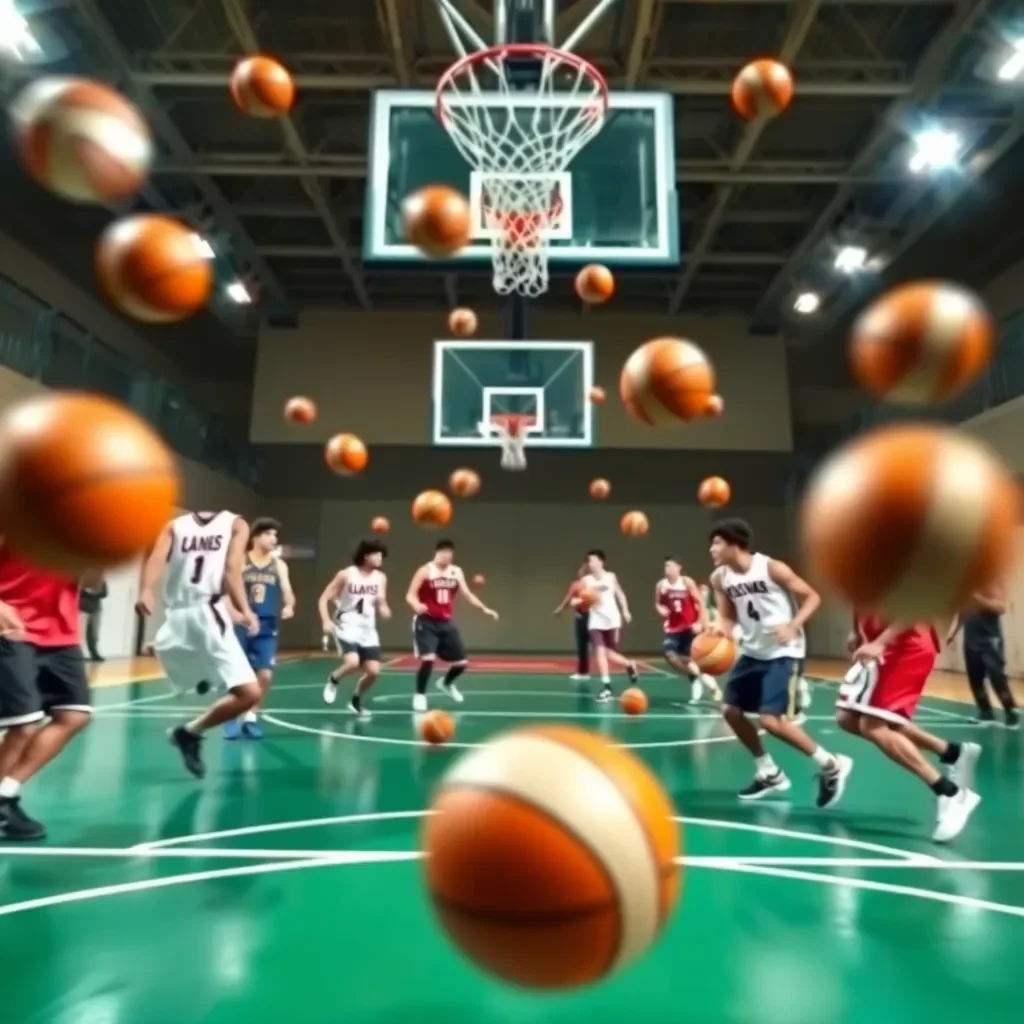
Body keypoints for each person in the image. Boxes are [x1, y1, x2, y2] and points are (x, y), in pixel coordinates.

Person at [709, 518, 852, 805]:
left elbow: (812, 597)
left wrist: (793, 625)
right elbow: (727, 616)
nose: (711, 550)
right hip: (752, 651)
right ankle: (768, 772)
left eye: (716, 543)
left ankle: (832, 764)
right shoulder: (720, 578)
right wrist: (718, 633)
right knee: (730, 711)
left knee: (770, 720)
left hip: (784, 651)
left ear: (735, 544)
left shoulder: (772, 568)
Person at [837, 611, 981, 843]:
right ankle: (951, 752)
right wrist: (857, 629)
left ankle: (951, 793)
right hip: (881, 642)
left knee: (873, 725)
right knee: (847, 718)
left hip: (906, 645)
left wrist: (880, 642)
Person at [137, 510, 260, 779]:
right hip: (208, 614)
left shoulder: (174, 525)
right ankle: (190, 732)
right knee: (250, 694)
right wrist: (246, 609)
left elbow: (157, 557)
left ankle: (194, 670)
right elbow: (231, 569)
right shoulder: (238, 523)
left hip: (177, 615)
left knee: (209, 678)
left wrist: (145, 589)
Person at [0, 544, 93, 840]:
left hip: (61, 631)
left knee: (74, 716)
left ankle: (6, 794)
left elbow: (91, 582)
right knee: (23, 725)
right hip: (12, 628)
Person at [405, 539, 498, 712]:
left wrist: (485, 609)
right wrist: (416, 605)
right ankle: (420, 695)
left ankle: (446, 683)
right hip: (426, 621)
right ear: (436, 553)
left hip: (446, 622)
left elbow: (468, 595)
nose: (447, 556)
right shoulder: (425, 571)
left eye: (450, 553)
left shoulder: (456, 572)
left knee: (462, 663)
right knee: (428, 659)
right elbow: (410, 595)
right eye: (443, 552)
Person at [225, 517, 295, 740]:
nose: (274, 539)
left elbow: (287, 591)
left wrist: (290, 605)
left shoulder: (279, 565)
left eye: (276, 535)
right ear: (256, 536)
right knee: (238, 675)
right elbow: (225, 590)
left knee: (264, 675)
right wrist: (235, 614)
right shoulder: (241, 561)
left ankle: (251, 716)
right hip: (242, 624)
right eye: (269, 534)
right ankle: (230, 715)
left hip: (267, 625)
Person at [319, 540, 390, 719]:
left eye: (381, 555)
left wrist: (383, 607)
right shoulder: (346, 574)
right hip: (346, 624)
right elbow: (323, 598)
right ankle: (334, 679)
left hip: (368, 629)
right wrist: (326, 620)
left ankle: (355, 700)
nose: (380, 558)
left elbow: (381, 599)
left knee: (374, 671)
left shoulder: (380, 577)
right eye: (377, 554)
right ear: (366, 555)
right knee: (352, 662)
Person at [948, 584, 1018, 729]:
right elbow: (963, 612)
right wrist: (954, 632)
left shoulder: (991, 583)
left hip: (990, 640)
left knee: (996, 677)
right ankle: (986, 712)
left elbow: (1000, 608)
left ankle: (1010, 712)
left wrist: (976, 597)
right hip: (971, 640)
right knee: (975, 678)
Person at [575, 550, 640, 704]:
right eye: (588, 561)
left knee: (609, 653)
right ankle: (607, 687)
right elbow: (578, 600)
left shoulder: (611, 577)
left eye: (592, 560)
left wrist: (625, 611)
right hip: (595, 621)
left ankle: (629, 664)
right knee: (599, 651)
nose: (590, 563)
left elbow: (620, 594)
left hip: (612, 620)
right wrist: (583, 601)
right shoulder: (586, 580)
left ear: (600, 561)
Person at [657, 556, 720, 704]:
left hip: (690, 627)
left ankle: (700, 682)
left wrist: (700, 623)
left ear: (679, 568)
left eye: (670, 566)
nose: (667, 569)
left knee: (691, 659)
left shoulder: (687, 582)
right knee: (670, 656)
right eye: (665, 566)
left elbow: (700, 603)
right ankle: (698, 677)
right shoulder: (661, 585)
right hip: (673, 628)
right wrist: (661, 610)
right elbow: (658, 603)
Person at [554, 562, 590, 680]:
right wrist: (560, 608)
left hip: (591, 617)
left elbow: (568, 600)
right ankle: (583, 672)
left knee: (584, 645)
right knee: (583, 645)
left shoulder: (589, 585)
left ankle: (584, 672)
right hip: (582, 617)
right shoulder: (576, 585)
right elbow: (568, 599)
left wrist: (561, 608)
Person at [79, 577, 107, 662]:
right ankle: (80, 654)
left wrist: (90, 592)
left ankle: (94, 653)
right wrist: (91, 592)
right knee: (81, 634)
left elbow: (105, 593)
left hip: (96, 609)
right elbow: (78, 591)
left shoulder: (100, 579)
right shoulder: (81, 578)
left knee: (94, 634)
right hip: (82, 608)